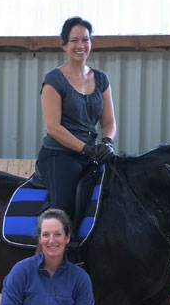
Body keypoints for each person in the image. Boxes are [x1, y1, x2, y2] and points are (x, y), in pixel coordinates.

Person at [35, 16, 117, 219]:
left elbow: (109, 122)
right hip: (60, 154)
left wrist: (106, 143)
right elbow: (53, 128)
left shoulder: (101, 79)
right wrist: (86, 149)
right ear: (64, 45)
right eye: (74, 40)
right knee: (63, 209)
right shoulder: (54, 79)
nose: (80, 46)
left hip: (92, 154)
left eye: (85, 40)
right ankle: (49, 236)